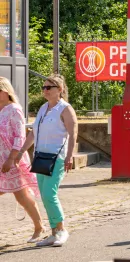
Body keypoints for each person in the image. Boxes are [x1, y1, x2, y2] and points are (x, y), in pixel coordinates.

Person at [17, 75, 78, 247]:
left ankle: (61, 230)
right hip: (41, 157)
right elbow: (33, 132)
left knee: (50, 194)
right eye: (43, 87)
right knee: (44, 195)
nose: (45, 90)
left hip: (56, 157)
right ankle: (53, 233)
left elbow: (73, 133)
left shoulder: (65, 109)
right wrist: (22, 151)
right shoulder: (43, 108)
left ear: (60, 89)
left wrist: (69, 156)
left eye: (49, 87)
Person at [0, 77, 44, 244]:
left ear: (5, 91)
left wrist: (11, 159)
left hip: (12, 159)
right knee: (21, 195)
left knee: (21, 195)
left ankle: (39, 227)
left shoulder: (14, 109)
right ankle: (39, 226)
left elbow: (20, 136)